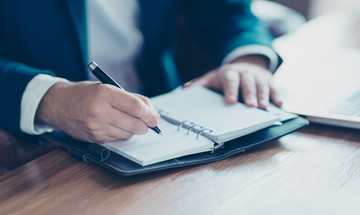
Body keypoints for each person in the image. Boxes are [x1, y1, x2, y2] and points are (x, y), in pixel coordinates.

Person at [0, 0, 282, 144]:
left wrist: (248, 58)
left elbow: (226, 10)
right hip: (39, 145)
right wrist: (49, 100)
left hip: (163, 120)